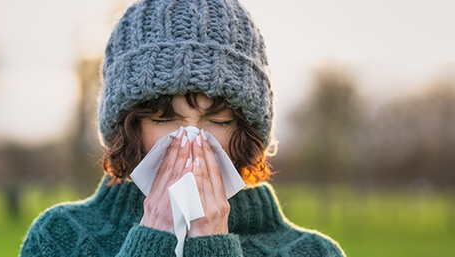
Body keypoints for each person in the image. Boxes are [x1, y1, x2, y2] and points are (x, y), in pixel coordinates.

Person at [20, 0, 345, 256]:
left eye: (218, 121)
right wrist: (152, 240)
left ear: (246, 131)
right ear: (127, 128)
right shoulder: (58, 237)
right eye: (164, 119)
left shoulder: (313, 252)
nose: (190, 143)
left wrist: (212, 249)